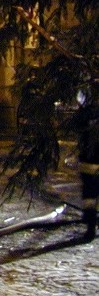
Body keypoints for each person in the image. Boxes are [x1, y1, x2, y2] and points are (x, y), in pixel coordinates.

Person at [73, 91, 98, 241]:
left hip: (88, 163)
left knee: (89, 196)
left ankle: (90, 228)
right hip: (90, 162)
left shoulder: (84, 114)